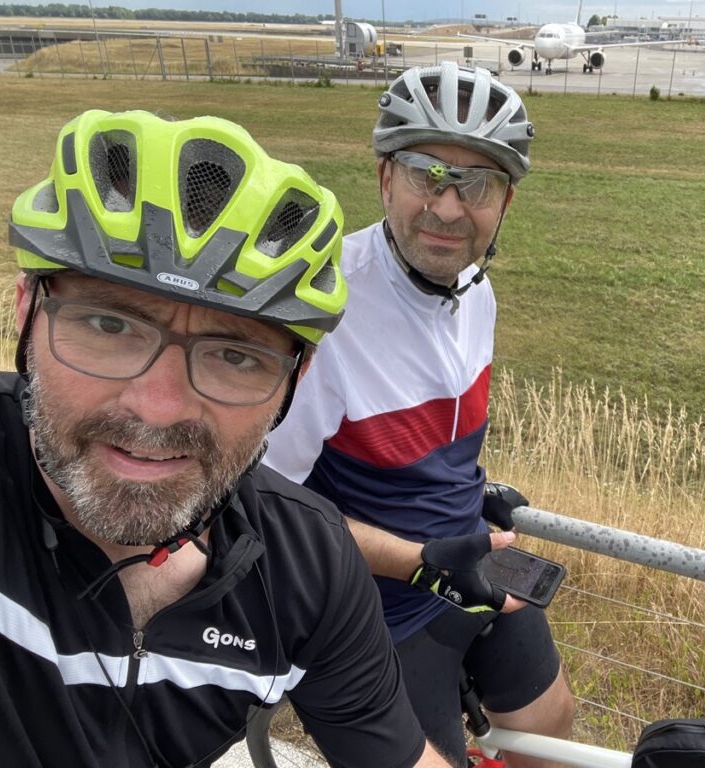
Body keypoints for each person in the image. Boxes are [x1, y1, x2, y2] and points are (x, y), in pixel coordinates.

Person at [0, 109, 450, 768]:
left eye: (235, 356)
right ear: (25, 312)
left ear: (296, 380)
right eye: (110, 325)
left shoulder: (309, 572)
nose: (158, 409)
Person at [264, 63, 575, 767]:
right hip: (375, 615)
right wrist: (419, 562)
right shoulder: (322, 313)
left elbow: (432, 437)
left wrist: (469, 489)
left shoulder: (475, 293)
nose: (448, 208)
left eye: (477, 184)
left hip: (472, 565)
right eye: (425, 174)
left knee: (553, 732)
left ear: (506, 203)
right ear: (384, 179)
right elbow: (263, 508)